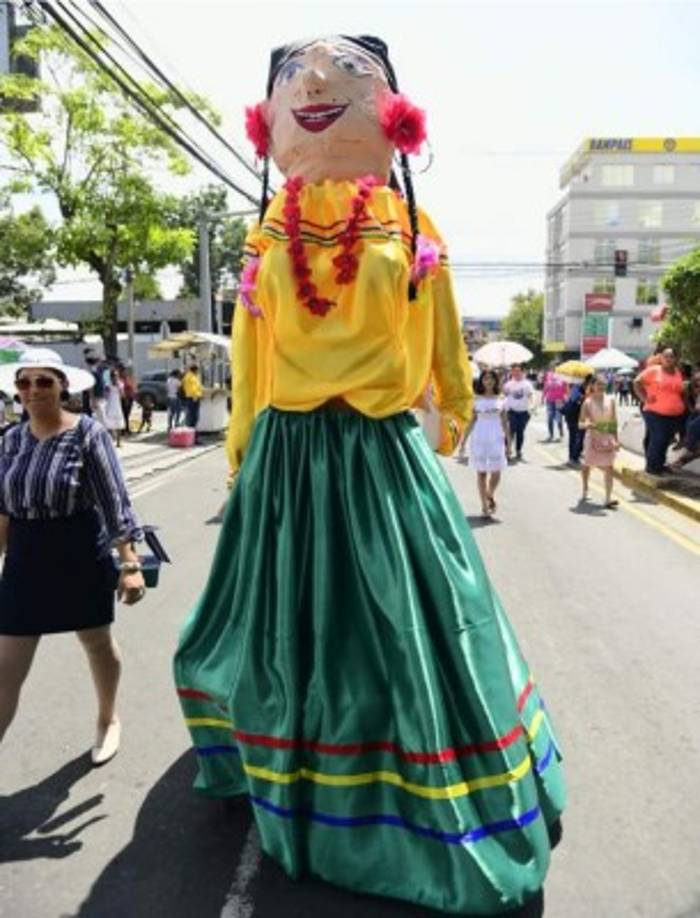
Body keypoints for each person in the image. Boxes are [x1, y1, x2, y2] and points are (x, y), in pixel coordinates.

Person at [173, 36, 564, 916]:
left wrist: (454, 409)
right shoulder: (267, 229)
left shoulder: (410, 226)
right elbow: (253, 345)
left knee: (413, 627)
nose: (313, 88)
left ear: (391, 112)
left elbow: (442, 332)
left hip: (382, 447)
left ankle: (410, 785)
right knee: (289, 624)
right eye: (293, 84)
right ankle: (303, 769)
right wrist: (242, 438)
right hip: (289, 449)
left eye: (340, 79)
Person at [0, 348, 145, 765]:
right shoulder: (9, 439)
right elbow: (4, 509)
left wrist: (130, 564)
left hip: (80, 551)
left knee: (96, 641)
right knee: (6, 668)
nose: (33, 390)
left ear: (63, 385)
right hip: (26, 560)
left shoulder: (88, 434)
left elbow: (114, 501)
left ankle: (107, 718)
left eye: (44, 381)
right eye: (24, 383)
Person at [463, 369, 509, 516]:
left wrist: (510, 443)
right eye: (485, 378)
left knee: (496, 471)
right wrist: (463, 441)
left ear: (496, 381)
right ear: (481, 381)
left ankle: (489, 494)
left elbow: (504, 422)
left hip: (496, 436)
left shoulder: (501, 398)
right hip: (479, 436)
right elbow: (471, 421)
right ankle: (484, 505)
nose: (488, 381)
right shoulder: (476, 399)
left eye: (491, 378)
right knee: (481, 473)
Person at [633, 347, 686, 475]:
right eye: (665, 356)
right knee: (658, 438)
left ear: (675, 359)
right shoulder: (653, 370)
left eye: (671, 356)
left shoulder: (677, 372)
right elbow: (636, 382)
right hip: (654, 412)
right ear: (661, 358)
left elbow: (679, 391)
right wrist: (644, 398)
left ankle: (660, 464)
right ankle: (652, 468)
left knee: (666, 440)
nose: (668, 359)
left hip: (673, 415)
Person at [578, 374, 620, 507]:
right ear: (592, 386)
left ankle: (608, 498)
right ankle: (585, 489)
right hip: (592, 438)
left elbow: (614, 422)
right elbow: (580, 422)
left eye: (603, 384)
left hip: (607, 438)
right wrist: (587, 424)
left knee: (609, 467)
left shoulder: (611, 400)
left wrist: (616, 440)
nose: (601, 387)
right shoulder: (587, 402)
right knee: (587, 465)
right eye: (598, 384)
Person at [503, 363, 534, 461]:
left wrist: (532, 404)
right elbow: (503, 395)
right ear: (511, 372)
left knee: (520, 432)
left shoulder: (527, 384)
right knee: (510, 431)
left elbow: (531, 395)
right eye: (514, 371)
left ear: (522, 372)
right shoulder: (508, 384)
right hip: (511, 411)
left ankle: (518, 450)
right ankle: (507, 451)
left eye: (518, 371)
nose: (516, 373)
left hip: (524, 412)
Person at [670, 371, 700, 469]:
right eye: (697, 381)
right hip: (695, 414)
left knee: (692, 426)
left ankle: (683, 458)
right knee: (689, 424)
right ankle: (683, 458)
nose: (698, 383)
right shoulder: (689, 387)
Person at [561, 374, 593, 467]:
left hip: (579, 416)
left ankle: (573, 458)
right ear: (588, 382)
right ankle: (573, 458)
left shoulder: (584, 389)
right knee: (577, 438)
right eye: (592, 383)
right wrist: (585, 396)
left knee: (577, 437)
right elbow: (574, 399)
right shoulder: (577, 388)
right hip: (573, 416)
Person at [542, 369, 567, 441]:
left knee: (559, 418)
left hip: (559, 401)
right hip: (549, 401)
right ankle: (551, 435)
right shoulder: (548, 377)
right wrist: (542, 398)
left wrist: (566, 399)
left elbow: (566, 390)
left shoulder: (563, 378)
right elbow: (545, 388)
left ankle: (561, 435)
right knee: (550, 418)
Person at [104, 367, 126, 447]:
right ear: (111, 377)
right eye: (113, 376)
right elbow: (105, 396)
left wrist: (119, 389)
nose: (115, 377)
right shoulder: (108, 385)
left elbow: (123, 396)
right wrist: (107, 391)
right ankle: (109, 441)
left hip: (117, 405)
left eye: (116, 375)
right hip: (110, 405)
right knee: (109, 424)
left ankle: (118, 442)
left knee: (118, 424)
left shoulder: (120, 384)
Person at [181, 363, 203, 437]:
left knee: (191, 418)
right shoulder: (192, 377)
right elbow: (194, 389)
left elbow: (184, 386)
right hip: (193, 399)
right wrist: (196, 397)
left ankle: (192, 436)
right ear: (195, 370)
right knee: (194, 418)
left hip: (190, 398)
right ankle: (193, 437)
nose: (198, 372)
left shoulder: (188, 376)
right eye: (198, 370)